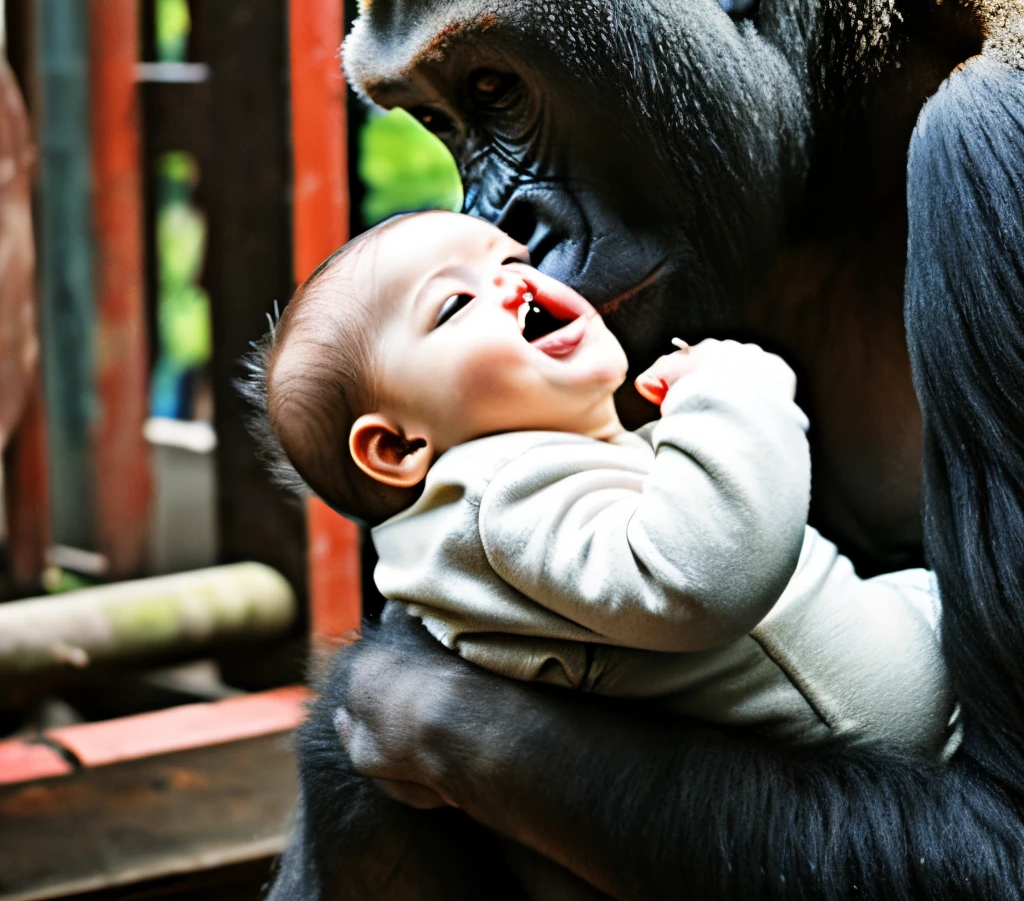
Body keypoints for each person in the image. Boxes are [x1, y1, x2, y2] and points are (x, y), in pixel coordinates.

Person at [248, 209, 956, 756]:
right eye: (454, 305)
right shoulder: (500, 502)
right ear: (399, 445)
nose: (515, 282)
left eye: (512, 259)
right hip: (898, 729)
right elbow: (703, 577)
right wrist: (735, 390)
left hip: (872, 661)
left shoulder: (487, 532)